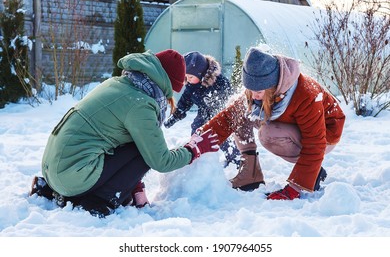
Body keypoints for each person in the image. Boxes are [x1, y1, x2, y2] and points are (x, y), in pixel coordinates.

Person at [29, 49, 219, 217]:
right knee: (146, 152)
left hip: (55, 167)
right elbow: (160, 160)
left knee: (140, 145)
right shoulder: (141, 103)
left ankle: (52, 191)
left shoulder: (119, 83)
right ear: (166, 84)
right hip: (71, 174)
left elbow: (120, 141)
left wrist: (135, 187)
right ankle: (98, 201)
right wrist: (194, 149)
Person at [200, 46, 346, 198]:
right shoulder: (258, 89)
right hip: (291, 125)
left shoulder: (306, 94)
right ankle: (251, 174)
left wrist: (294, 189)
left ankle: (312, 173)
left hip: (325, 136)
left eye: (259, 92)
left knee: (268, 134)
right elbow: (227, 118)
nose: (254, 95)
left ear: (272, 87)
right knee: (238, 112)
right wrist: (197, 142)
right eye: (251, 90)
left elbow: (315, 142)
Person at [164, 51, 240, 167]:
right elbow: (185, 102)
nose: (188, 79)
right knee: (196, 129)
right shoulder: (191, 86)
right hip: (204, 113)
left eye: (190, 76)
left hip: (221, 114)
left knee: (222, 136)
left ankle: (235, 158)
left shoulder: (219, 81)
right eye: (186, 77)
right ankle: (200, 157)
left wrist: (216, 102)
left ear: (200, 73)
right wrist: (175, 116)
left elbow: (229, 97)